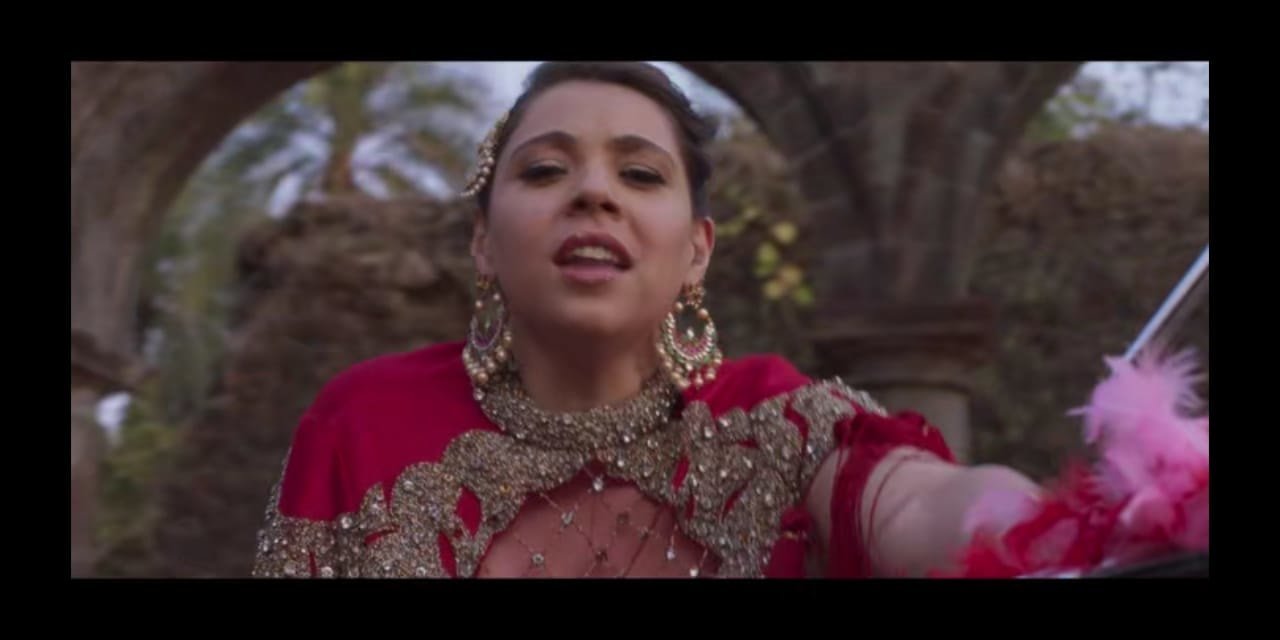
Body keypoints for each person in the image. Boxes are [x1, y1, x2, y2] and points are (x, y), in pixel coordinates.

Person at [252, 61, 1041, 579]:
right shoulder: (362, 423)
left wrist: (1046, 524)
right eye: (545, 170)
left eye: (639, 173)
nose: (594, 193)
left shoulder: (781, 430)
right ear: (483, 241)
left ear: (697, 250)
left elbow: (921, 505)